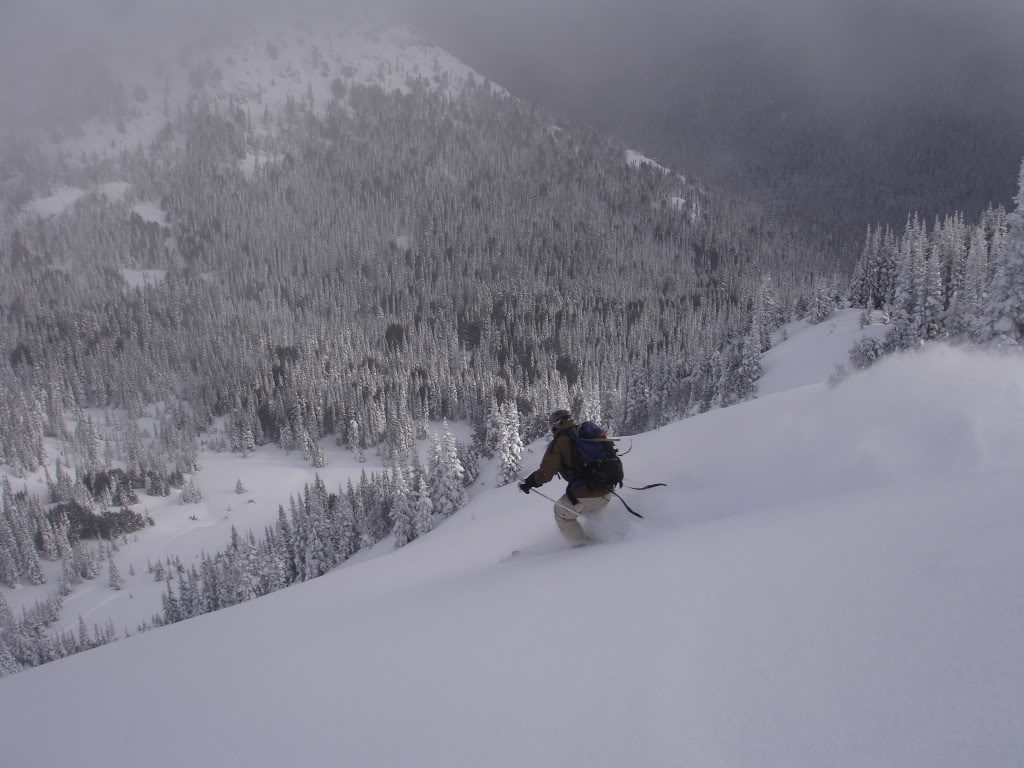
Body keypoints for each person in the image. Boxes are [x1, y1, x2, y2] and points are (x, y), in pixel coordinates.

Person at [519, 409, 612, 544]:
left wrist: (529, 482)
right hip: (607, 490)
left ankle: (581, 547)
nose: (552, 429)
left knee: (560, 512)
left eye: (551, 426)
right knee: (593, 510)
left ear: (557, 424)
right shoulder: (585, 434)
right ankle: (602, 538)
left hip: (585, 494)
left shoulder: (560, 441)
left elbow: (545, 473)